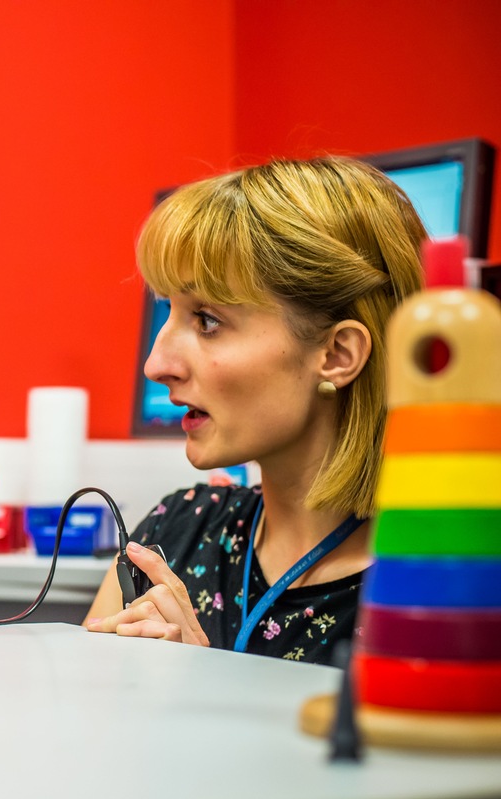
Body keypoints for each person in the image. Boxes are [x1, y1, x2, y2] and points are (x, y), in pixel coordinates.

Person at [83, 156, 425, 665]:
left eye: (207, 320)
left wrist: (195, 689)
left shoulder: (436, 593)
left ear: (337, 355)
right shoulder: (174, 530)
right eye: (167, 310)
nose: (157, 364)